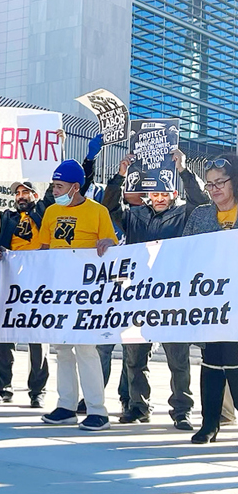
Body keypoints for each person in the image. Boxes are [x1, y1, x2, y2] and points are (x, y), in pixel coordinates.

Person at [102, 148, 207, 430]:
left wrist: (183, 170)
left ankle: (181, 410)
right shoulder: (135, 216)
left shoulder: (186, 214)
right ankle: (138, 406)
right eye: (156, 192)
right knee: (134, 356)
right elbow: (109, 208)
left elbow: (201, 201)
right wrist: (119, 177)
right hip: (139, 294)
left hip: (173, 296)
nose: (159, 197)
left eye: (165, 192)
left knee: (178, 358)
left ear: (174, 193)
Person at [38, 159, 117, 431]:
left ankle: (97, 410)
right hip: (58, 292)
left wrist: (108, 244)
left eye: (59, 186)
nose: (54, 190)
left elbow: (111, 248)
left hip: (86, 294)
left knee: (86, 348)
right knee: (61, 349)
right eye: (53, 185)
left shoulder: (98, 212)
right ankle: (66, 406)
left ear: (74, 187)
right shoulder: (50, 212)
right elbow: (43, 250)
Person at [183, 154, 238, 444]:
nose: (215, 189)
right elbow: (185, 255)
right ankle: (209, 424)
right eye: (210, 184)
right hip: (211, 305)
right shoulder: (200, 216)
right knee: (211, 362)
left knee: (235, 362)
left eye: (221, 182)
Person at [0, 180, 51, 408]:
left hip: (39, 282)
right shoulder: (7, 218)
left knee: (38, 336)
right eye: (18, 193)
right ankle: (3, 388)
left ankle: (37, 390)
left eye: (26, 192)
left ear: (35, 194)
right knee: (5, 334)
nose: (21, 196)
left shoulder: (44, 212)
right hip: (11, 280)